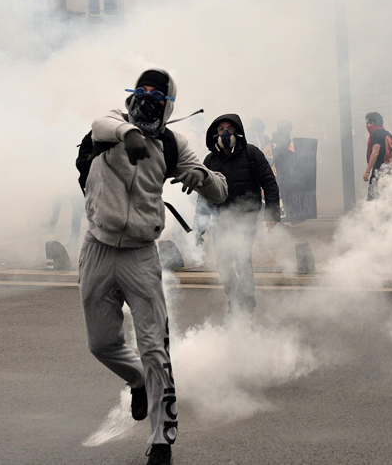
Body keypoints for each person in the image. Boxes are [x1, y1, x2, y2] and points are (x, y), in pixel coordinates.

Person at [79, 69, 228, 465]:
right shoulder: (113, 125)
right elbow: (101, 125)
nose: (146, 100)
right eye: (140, 91)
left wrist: (199, 177)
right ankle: (137, 381)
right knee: (101, 344)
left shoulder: (172, 144)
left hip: (141, 255)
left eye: (156, 95)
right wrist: (129, 136)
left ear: (168, 105)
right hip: (97, 248)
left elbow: (220, 189)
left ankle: (161, 441)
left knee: (154, 348)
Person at [197, 114, 280, 317]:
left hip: (246, 217)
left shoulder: (252, 154)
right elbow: (203, 195)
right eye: (220, 129)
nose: (225, 133)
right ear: (214, 134)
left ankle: (247, 303)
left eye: (229, 129)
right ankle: (233, 298)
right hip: (220, 219)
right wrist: (199, 225)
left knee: (243, 259)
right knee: (223, 262)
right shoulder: (210, 160)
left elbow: (269, 182)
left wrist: (272, 214)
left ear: (238, 132)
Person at [364, 112, 392, 200]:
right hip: (389, 169)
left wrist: (367, 171)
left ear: (372, 123)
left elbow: (375, 153)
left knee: (374, 197)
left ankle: (375, 213)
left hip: (379, 170)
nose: (367, 125)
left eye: (367, 122)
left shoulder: (375, 134)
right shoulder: (387, 133)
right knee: (387, 197)